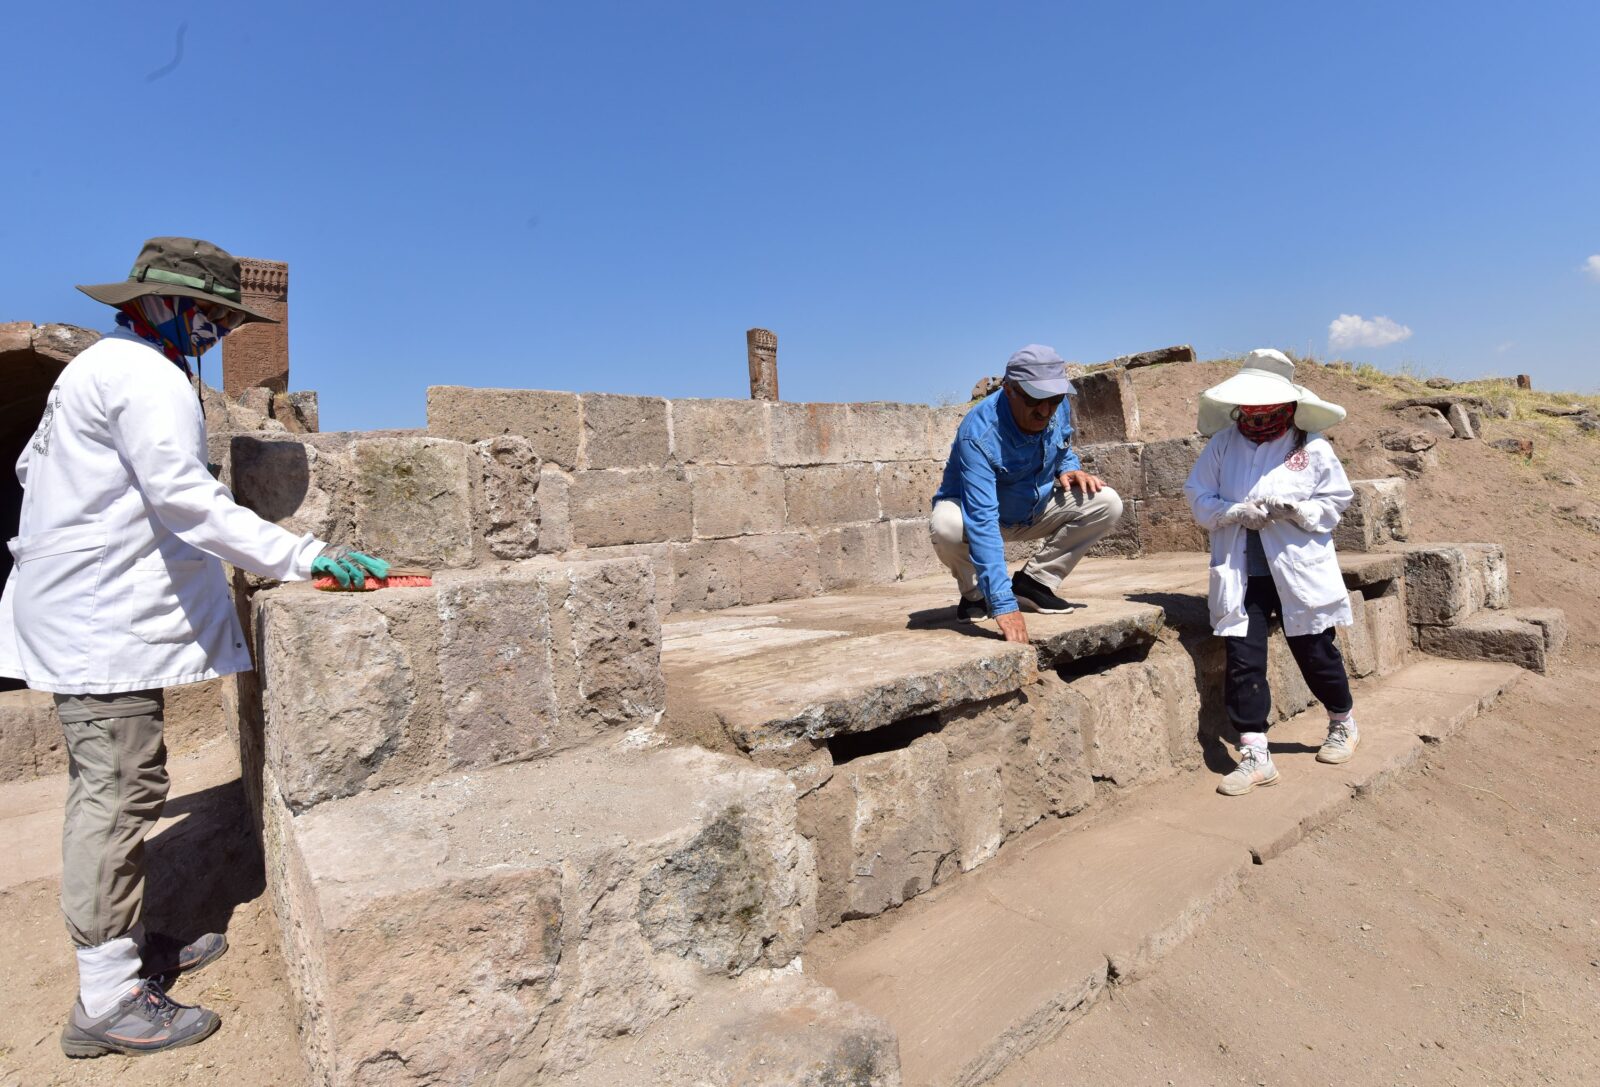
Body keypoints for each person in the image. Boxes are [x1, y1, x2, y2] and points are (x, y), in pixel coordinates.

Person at [0, 237, 388, 1057]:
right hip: (97, 622)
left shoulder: (99, 367)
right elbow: (186, 499)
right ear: (163, 305)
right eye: (208, 313)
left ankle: (126, 951)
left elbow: (37, 470)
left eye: (223, 317)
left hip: (86, 613)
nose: (213, 329)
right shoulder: (145, 375)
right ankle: (105, 1000)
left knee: (123, 777)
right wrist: (305, 554)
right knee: (116, 790)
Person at [1182, 349, 1358, 797]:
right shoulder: (1222, 444)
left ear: (1286, 405)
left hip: (1297, 569)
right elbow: (1197, 493)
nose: (1256, 414)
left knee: (1315, 650)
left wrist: (1299, 511)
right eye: (1250, 405)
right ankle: (1255, 754)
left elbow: (1335, 501)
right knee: (1244, 660)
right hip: (1243, 568)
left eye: (1266, 405)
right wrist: (1230, 511)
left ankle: (1342, 721)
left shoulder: (1311, 446)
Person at [930, 344, 1124, 644]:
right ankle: (976, 594)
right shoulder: (978, 433)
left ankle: (1035, 582)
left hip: (1035, 507)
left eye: (1054, 399)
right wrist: (1003, 604)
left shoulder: (1057, 408)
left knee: (1106, 502)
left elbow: (1063, 446)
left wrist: (1069, 468)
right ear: (1009, 390)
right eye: (1035, 399)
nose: (1045, 410)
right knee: (947, 525)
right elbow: (981, 519)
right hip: (981, 516)